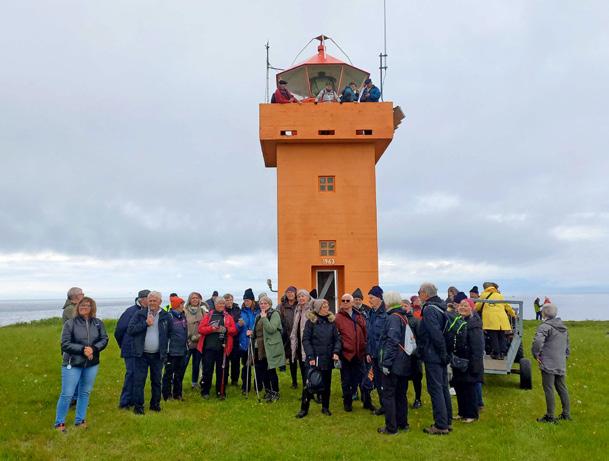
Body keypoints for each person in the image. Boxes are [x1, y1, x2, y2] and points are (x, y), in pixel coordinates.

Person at [54, 297, 108, 432]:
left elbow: (104, 339)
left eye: (87, 305)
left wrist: (93, 349)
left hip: (92, 364)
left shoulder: (98, 323)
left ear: (92, 308)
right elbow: (65, 344)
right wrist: (84, 349)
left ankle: (80, 420)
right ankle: (59, 423)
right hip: (72, 363)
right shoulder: (70, 324)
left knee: (84, 392)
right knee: (67, 394)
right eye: (82, 305)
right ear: (77, 307)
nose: (84, 307)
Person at [128, 291, 173, 415]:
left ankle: (155, 405)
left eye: (155, 300)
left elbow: (170, 332)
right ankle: (138, 407)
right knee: (139, 381)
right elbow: (130, 330)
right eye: (150, 300)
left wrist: (166, 349)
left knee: (157, 381)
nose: (152, 303)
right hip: (141, 354)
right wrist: (145, 324)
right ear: (147, 301)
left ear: (160, 301)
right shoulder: (140, 314)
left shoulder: (166, 315)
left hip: (158, 355)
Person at [296, 299, 341, 418]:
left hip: (327, 358)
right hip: (314, 358)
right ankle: (304, 409)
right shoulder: (311, 322)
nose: (327, 308)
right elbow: (306, 340)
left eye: (327, 306)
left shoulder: (331, 322)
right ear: (318, 309)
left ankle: (325, 407)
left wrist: (336, 352)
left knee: (326, 384)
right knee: (309, 384)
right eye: (324, 307)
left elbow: (337, 339)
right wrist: (310, 356)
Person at [417, 282, 452, 435]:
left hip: (434, 354)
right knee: (443, 387)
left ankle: (441, 425)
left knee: (435, 389)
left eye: (419, 292)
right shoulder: (441, 307)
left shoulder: (429, 309)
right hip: (440, 354)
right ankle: (447, 421)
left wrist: (442, 353)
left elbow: (435, 334)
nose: (419, 295)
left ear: (425, 294)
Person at [377, 292, 414, 435]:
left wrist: (386, 363)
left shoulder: (393, 317)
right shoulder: (403, 316)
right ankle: (402, 423)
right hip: (404, 361)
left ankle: (391, 427)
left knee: (389, 395)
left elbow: (393, 341)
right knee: (400, 394)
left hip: (394, 363)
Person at [448, 296, 484, 423]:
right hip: (459, 360)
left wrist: (475, 364)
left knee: (469, 389)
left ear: (471, 308)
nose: (462, 308)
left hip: (469, 361)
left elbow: (478, 347)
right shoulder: (459, 321)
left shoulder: (474, 325)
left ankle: (471, 414)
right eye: (461, 305)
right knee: (459, 387)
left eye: (466, 306)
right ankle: (462, 412)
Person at [532, 303, 571, 423]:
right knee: (562, 388)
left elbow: (538, 342)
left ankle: (550, 416)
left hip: (548, 362)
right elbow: (567, 345)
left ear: (544, 313)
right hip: (560, 361)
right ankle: (566, 414)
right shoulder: (563, 328)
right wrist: (565, 356)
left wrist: (536, 354)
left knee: (548, 388)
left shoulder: (544, 327)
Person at [335, 293, 372, 412]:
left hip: (359, 354)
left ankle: (367, 402)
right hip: (346, 354)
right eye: (343, 300)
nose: (345, 302)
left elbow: (366, 334)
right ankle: (347, 403)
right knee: (346, 381)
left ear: (352, 303)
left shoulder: (359, 316)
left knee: (363, 380)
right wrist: (337, 352)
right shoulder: (338, 317)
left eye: (347, 300)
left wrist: (366, 350)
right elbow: (336, 337)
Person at [114, 289, 149, 409]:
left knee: (139, 375)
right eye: (149, 299)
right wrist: (123, 345)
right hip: (130, 348)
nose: (151, 301)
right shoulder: (131, 311)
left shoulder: (149, 312)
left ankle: (134, 400)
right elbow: (119, 331)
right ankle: (124, 402)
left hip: (142, 349)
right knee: (131, 375)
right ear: (142, 299)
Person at [197, 296, 237, 399]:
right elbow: (200, 329)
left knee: (222, 371)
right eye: (219, 303)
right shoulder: (209, 315)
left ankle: (221, 392)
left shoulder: (228, 317)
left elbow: (234, 330)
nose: (221, 305)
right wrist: (211, 328)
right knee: (207, 370)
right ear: (215, 304)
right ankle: (205, 391)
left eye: (223, 303)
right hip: (209, 348)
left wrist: (226, 330)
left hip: (223, 348)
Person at [252, 295, 285, 402]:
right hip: (260, 347)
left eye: (265, 303)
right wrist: (251, 333)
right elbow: (256, 331)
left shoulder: (274, 314)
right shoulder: (258, 315)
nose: (263, 305)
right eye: (261, 303)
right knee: (263, 370)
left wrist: (264, 318)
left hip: (271, 346)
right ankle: (268, 391)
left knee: (271, 370)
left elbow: (271, 329)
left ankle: (275, 392)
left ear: (270, 304)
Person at [475, 282, 516, 359]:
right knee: (501, 336)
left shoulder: (483, 295)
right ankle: (503, 353)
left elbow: (477, 307)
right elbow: (507, 306)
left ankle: (496, 353)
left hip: (491, 319)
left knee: (493, 337)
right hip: (502, 319)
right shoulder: (499, 295)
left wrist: (471, 311)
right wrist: (513, 314)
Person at [366, 285, 387, 415]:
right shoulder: (370, 313)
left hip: (383, 354)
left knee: (386, 382)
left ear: (379, 298)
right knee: (378, 381)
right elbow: (369, 336)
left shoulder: (386, 313)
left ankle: (389, 406)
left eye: (372, 298)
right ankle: (383, 405)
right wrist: (368, 352)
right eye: (369, 298)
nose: (369, 301)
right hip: (373, 354)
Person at [162, 296, 188, 401]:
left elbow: (185, 331)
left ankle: (177, 394)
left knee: (179, 374)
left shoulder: (183, 316)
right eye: (181, 304)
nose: (183, 306)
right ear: (177, 305)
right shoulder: (169, 317)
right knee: (168, 374)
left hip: (182, 350)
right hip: (171, 351)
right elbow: (164, 334)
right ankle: (167, 395)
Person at [237, 288, 260, 394]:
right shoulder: (241, 312)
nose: (246, 302)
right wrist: (239, 325)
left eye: (248, 300)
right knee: (246, 366)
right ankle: (245, 387)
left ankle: (258, 386)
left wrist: (253, 331)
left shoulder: (258, 312)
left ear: (252, 300)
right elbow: (236, 327)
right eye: (245, 300)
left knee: (257, 365)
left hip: (256, 343)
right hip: (244, 343)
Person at [291, 289, 314, 386]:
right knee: (302, 365)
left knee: (309, 367)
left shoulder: (311, 309)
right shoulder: (298, 309)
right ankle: (306, 387)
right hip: (299, 343)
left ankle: (311, 387)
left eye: (303, 296)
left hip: (308, 343)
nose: (301, 298)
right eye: (299, 296)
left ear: (308, 297)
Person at [403, 298, 423, 409]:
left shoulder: (415, 321)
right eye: (401, 306)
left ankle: (418, 399)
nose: (403, 308)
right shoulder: (399, 319)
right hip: (403, 355)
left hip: (414, 355)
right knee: (403, 379)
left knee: (416, 379)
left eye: (405, 306)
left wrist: (418, 352)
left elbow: (420, 337)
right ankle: (403, 398)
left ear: (410, 307)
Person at [279, 286, 299, 388]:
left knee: (303, 360)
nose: (290, 294)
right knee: (292, 359)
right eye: (288, 292)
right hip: (287, 336)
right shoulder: (281, 306)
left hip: (299, 335)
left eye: (292, 292)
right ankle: (294, 382)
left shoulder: (299, 305)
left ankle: (307, 381)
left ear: (295, 294)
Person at [184, 291, 204, 389]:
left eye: (197, 298)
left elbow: (205, 325)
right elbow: (182, 325)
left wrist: (199, 336)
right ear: (189, 300)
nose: (195, 300)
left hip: (199, 341)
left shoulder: (203, 311)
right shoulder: (184, 311)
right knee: (183, 363)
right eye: (193, 298)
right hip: (187, 342)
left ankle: (194, 382)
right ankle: (177, 382)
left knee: (196, 363)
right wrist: (189, 337)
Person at [224, 293, 242, 386]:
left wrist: (237, 326)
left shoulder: (237, 309)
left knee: (235, 361)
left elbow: (240, 321)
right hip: (226, 339)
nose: (229, 302)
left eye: (230, 299)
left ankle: (234, 380)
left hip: (236, 339)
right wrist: (236, 326)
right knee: (225, 361)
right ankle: (225, 380)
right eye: (227, 300)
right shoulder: (222, 311)